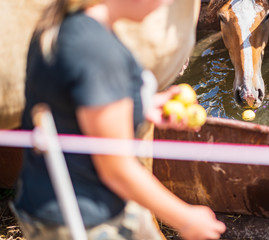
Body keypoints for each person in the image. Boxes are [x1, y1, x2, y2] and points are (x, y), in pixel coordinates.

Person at [10, 0, 226, 239]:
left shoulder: (65, 26)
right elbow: (115, 168)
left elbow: (70, 109)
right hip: (84, 219)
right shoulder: (97, 51)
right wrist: (184, 218)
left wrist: (143, 105)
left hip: (49, 203)